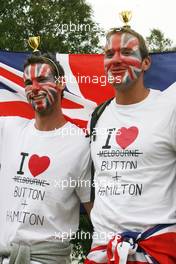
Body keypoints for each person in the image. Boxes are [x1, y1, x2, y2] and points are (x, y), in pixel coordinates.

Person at [85, 27, 176, 263]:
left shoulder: (169, 108)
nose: (116, 60)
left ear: (145, 63)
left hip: (156, 252)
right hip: (102, 252)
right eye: (109, 54)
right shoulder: (98, 115)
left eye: (126, 52)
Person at [0, 53, 92, 264]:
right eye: (28, 83)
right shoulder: (8, 128)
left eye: (42, 80)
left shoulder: (81, 145)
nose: (34, 88)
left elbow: (97, 214)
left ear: (60, 84)